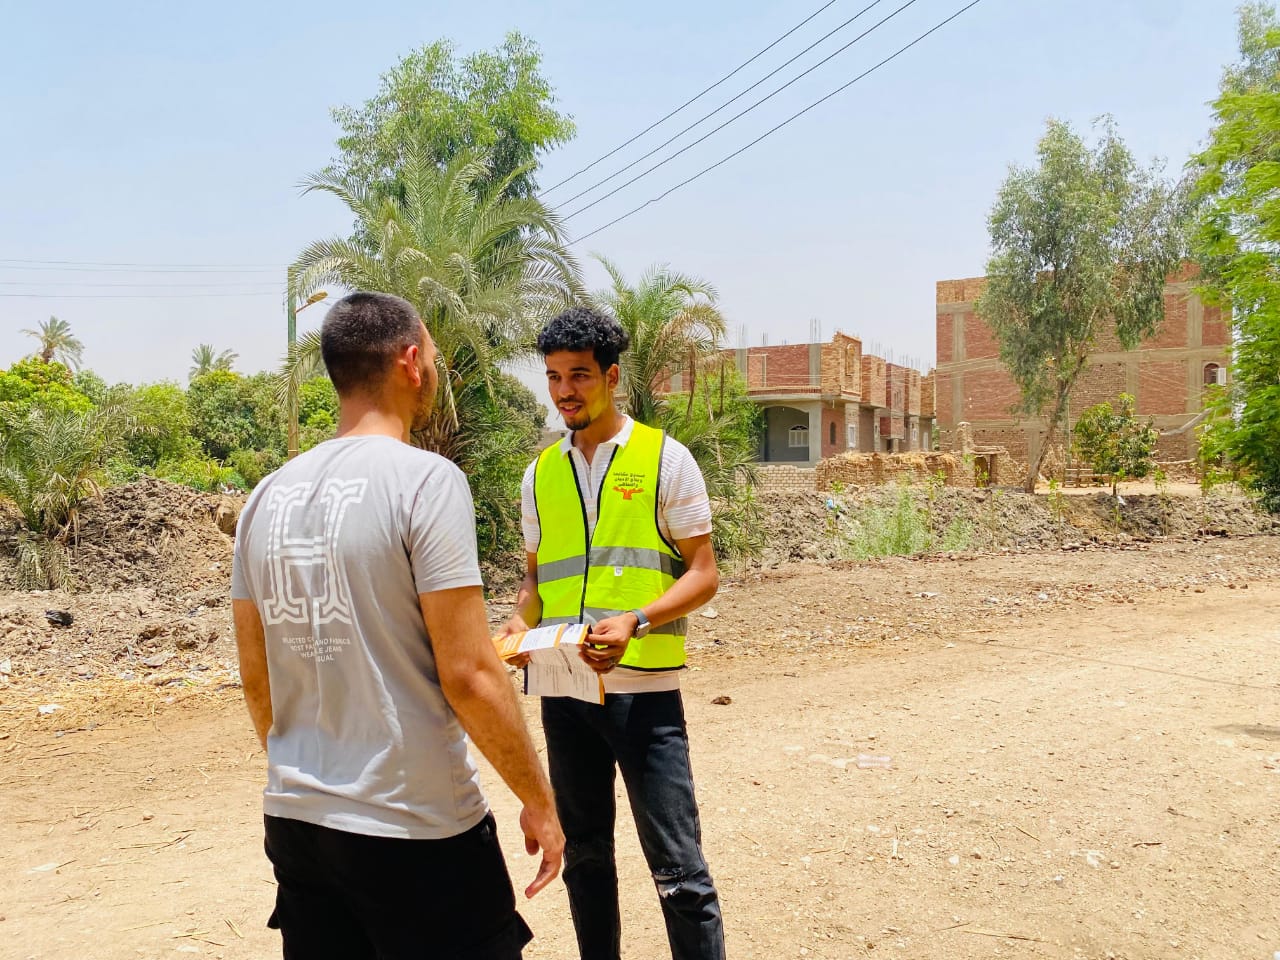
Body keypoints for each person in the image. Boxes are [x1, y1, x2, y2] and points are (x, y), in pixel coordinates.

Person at [231, 291, 563, 960]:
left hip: (297, 822)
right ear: (412, 363)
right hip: (415, 826)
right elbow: (469, 674)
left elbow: (257, 677)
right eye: (433, 355)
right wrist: (539, 800)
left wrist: (313, 774)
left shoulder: (266, 497)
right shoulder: (426, 482)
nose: (435, 368)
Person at [504, 305, 725, 960]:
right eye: (553, 377)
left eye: (578, 375)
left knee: (679, 872)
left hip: (644, 699)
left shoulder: (665, 459)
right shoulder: (540, 474)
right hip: (563, 695)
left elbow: (705, 574)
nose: (564, 391)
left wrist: (638, 620)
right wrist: (518, 623)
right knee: (586, 859)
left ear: (611, 376)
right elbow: (535, 581)